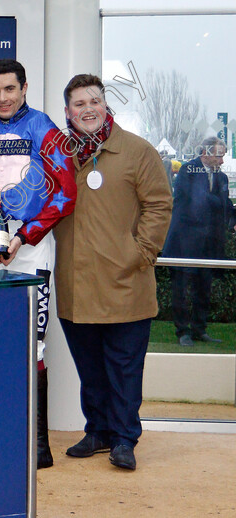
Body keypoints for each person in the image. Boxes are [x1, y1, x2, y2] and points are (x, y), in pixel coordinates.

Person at [55, 74, 172, 471]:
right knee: (90, 368)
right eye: (78, 104)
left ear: (106, 105)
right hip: (77, 285)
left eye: (94, 101)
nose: (87, 109)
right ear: (67, 111)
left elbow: (159, 205)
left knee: (124, 368)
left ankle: (125, 437)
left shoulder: (138, 152)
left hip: (126, 283)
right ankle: (99, 430)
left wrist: (140, 254)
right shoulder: (58, 156)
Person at [0, 59, 77, 469]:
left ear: (25, 88)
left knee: (32, 344)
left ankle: (39, 446)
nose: (2, 98)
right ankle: (3, 435)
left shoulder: (45, 128)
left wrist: (24, 235)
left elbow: (65, 194)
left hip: (31, 246)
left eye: (10, 89)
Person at [162, 137, 236, 346]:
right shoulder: (187, 171)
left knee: (203, 288)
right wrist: (221, 205)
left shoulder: (221, 178)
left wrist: (233, 220)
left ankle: (199, 329)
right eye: (219, 156)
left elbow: (226, 205)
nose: (222, 161)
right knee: (181, 290)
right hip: (184, 243)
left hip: (208, 245)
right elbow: (199, 199)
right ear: (205, 153)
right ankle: (183, 332)